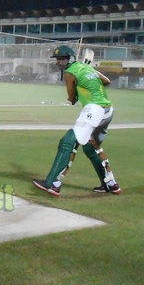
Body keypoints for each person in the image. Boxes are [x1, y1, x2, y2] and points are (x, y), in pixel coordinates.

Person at [33, 45, 121, 197]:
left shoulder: (69, 73)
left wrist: (74, 98)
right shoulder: (86, 68)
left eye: (61, 59)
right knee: (91, 147)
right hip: (108, 110)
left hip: (94, 110)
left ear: (70, 58)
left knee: (70, 141)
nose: (58, 62)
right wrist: (90, 75)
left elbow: (72, 97)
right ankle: (111, 184)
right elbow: (106, 82)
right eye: (57, 59)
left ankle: (53, 184)